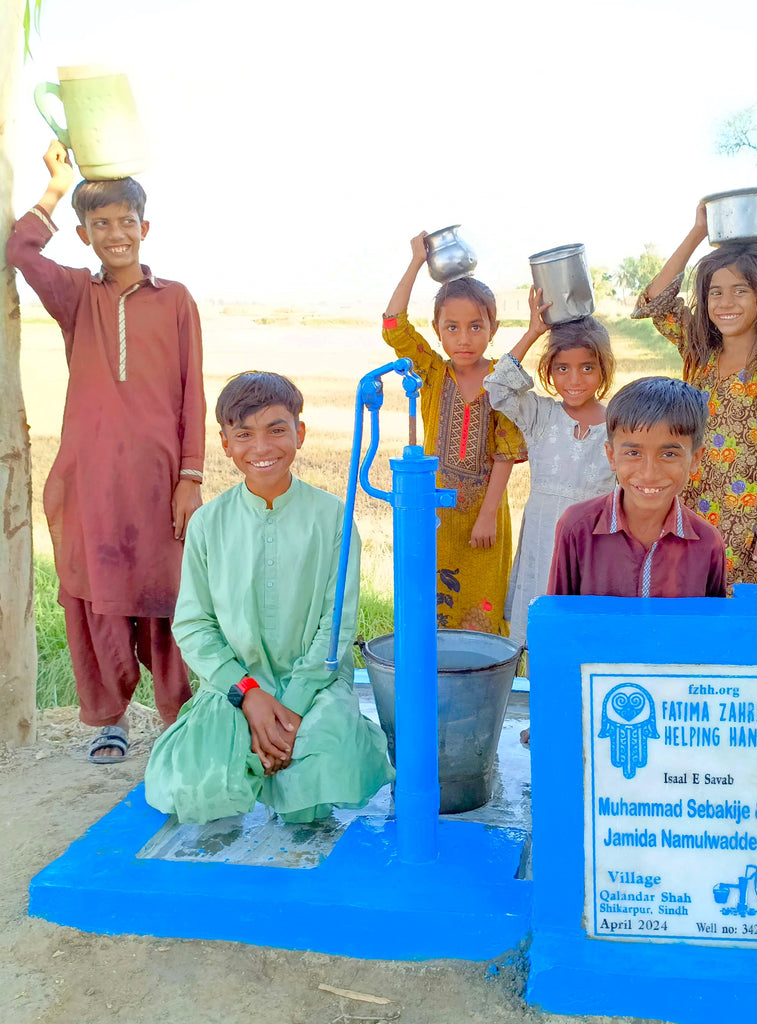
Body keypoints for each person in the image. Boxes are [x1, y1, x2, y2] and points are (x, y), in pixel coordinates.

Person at [6, 141, 205, 763]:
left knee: (167, 595)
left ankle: (179, 717)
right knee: (97, 595)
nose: (115, 234)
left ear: (145, 228)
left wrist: (190, 477)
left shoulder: (175, 299)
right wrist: (57, 186)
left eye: (125, 222)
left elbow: (191, 391)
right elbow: (18, 249)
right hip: (89, 477)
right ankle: (109, 721)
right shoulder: (76, 296)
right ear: (86, 235)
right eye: (101, 225)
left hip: (158, 478)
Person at [144, 372, 394, 824]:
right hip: (235, 687)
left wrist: (291, 709)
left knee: (322, 774)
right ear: (224, 443)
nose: (261, 448)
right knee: (197, 783)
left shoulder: (333, 519)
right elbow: (193, 625)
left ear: (300, 432)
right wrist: (251, 696)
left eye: (276, 429)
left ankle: (295, 759)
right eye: (244, 434)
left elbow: (336, 627)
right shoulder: (208, 524)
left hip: (315, 687)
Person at [632, 204, 757, 587]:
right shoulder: (699, 354)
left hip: (748, 520)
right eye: (716, 293)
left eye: (739, 291)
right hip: (692, 507)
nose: (725, 303)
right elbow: (655, 300)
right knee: (690, 605)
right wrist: (698, 231)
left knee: (740, 620)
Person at [382, 232, 527, 634]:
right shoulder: (430, 372)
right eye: (452, 327)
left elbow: (505, 452)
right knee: (431, 613)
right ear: (437, 329)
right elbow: (394, 326)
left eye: (476, 326)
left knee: (480, 615)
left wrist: (486, 518)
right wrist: (415, 261)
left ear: (493, 327)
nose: (464, 339)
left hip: (485, 519)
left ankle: (479, 687)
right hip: (435, 516)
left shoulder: (502, 380)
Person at [484, 288, 616, 647]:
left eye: (587, 368)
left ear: (604, 367)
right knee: (540, 632)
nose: (574, 380)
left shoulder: (619, 425)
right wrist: (532, 332)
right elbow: (497, 388)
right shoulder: (541, 416)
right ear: (549, 370)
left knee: (582, 635)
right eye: (563, 368)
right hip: (544, 540)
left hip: (593, 546)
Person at [549, 376, 727, 599]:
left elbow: (710, 628)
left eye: (669, 454)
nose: (649, 474)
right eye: (633, 453)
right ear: (612, 456)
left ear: (695, 459)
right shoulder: (577, 528)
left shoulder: (707, 542)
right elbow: (557, 621)